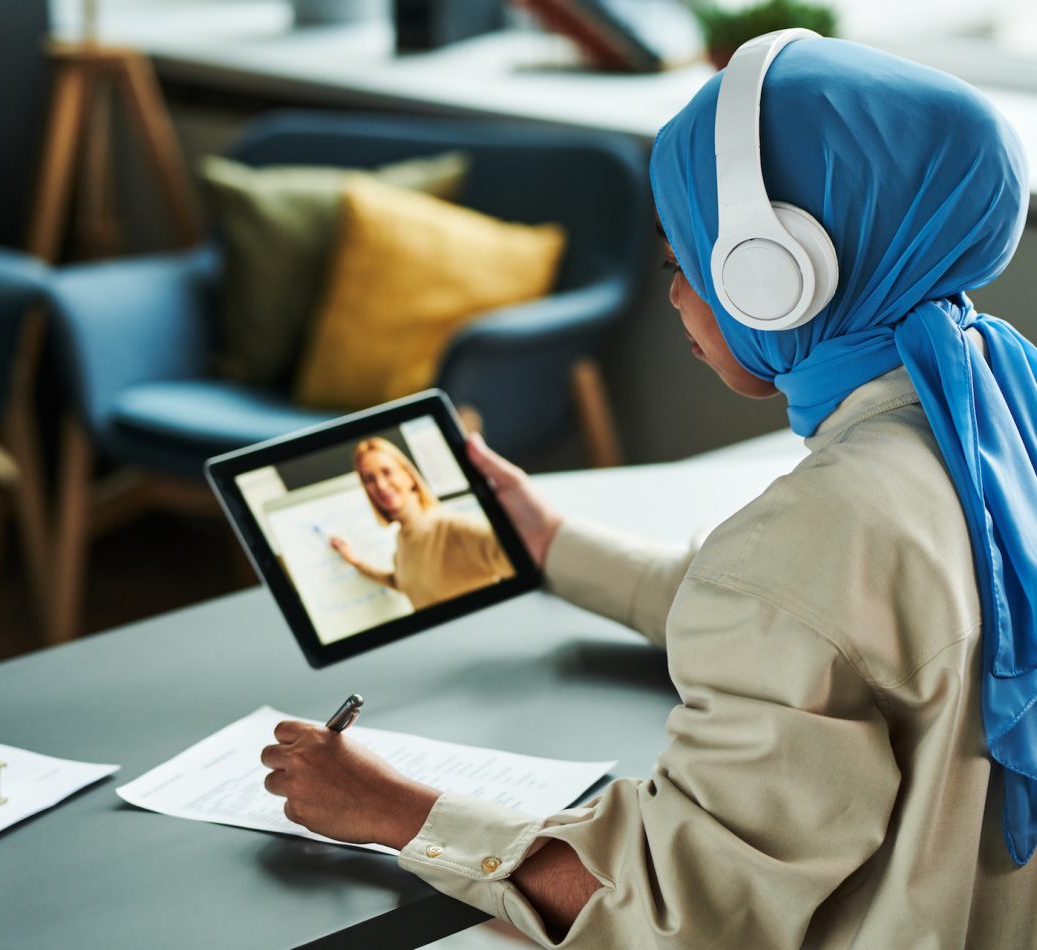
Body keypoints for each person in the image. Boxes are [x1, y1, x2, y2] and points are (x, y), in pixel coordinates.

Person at [259, 36, 1037, 947]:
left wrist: (392, 809)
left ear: (777, 275)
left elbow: (672, 912)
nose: (674, 294)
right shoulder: (997, 409)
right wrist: (553, 544)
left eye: (686, 261)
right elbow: (830, 626)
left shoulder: (818, 533)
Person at [329, 436, 514, 610]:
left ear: (408, 475)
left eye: (386, 472)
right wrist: (356, 562)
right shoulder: (401, 544)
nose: (381, 486)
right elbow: (400, 582)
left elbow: (511, 554)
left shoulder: (451, 526)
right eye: (369, 479)